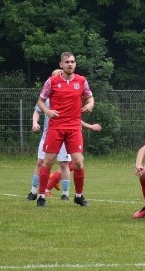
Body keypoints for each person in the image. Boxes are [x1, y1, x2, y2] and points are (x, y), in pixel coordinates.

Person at [27, 69, 103, 201]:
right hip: (49, 133)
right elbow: (37, 109)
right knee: (42, 162)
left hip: (69, 131)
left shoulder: (72, 91)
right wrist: (35, 122)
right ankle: (35, 192)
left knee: (66, 164)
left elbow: (76, 117)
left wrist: (90, 123)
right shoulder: (48, 96)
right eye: (56, 77)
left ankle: (66, 194)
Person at [34, 52, 95, 207]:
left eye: (73, 61)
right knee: (47, 161)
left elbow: (89, 97)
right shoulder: (52, 81)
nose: (70, 64)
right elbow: (40, 101)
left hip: (74, 127)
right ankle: (41, 196)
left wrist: (90, 104)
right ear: (61, 64)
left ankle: (79, 196)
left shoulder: (81, 81)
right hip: (56, 127)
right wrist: (47, 111)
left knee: (79, 162)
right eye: (67, 62)